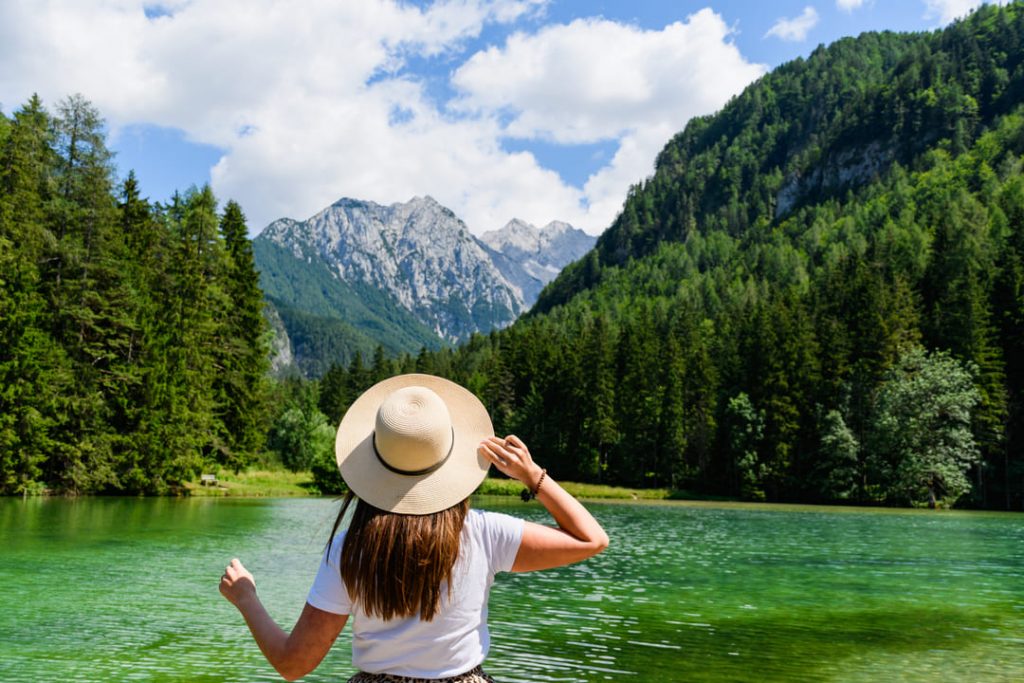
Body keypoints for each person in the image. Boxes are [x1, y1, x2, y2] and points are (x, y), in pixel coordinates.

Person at [219, 373, 609, 682]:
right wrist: (532, 475)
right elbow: (591, 539)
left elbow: (293, 665)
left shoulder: (350, 549)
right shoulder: (485, 534)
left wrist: (246, 599)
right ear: (450, 459)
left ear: (374, 462)